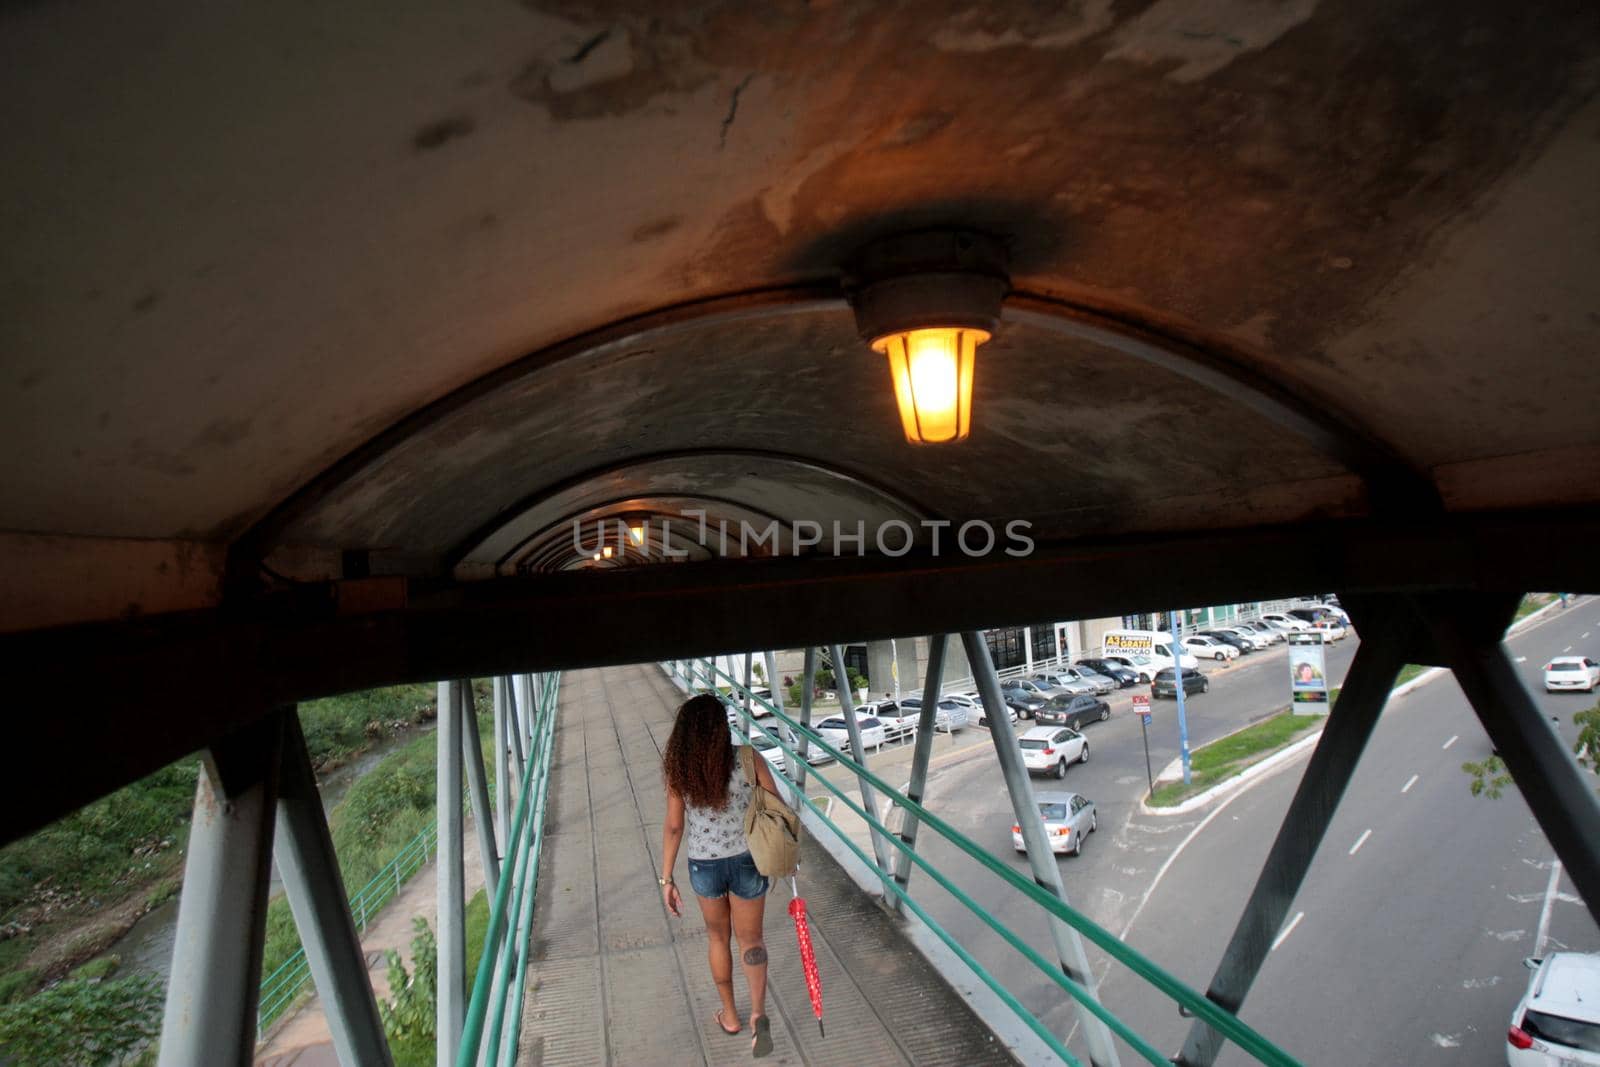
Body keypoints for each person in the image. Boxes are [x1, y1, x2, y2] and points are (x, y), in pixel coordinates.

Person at [659, 693, 777, 1057]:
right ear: (721, 728)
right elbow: (775, 804)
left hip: (704, 866)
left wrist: (666, 878)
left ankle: (730, 1015)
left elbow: (675, 827)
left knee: (717, 939)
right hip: (747, 859)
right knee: (751, 942)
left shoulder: (681, 770)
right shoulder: (746, 758)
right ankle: (758, 1015)